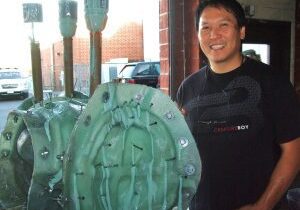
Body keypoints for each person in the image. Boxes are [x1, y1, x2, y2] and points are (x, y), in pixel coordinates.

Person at [176, 0, 300, 209]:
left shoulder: (273, 82)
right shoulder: (188, 88)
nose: (213, 35)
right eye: (205, 27)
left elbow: (293, 152)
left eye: (223, 25)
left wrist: (262, 206)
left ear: (241, 31)